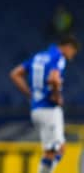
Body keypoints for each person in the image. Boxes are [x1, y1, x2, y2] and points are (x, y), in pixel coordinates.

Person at [10, 36, 80, 173]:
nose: (71, 56)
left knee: (58, 148)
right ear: (68, 47)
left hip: (36, 108)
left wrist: (30, 94)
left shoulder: (38, 57)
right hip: (49, 108)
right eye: (73, 52)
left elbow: (15, 74)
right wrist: (56, 95)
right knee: (53, 150)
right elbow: (54, 79)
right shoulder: (58, 57)